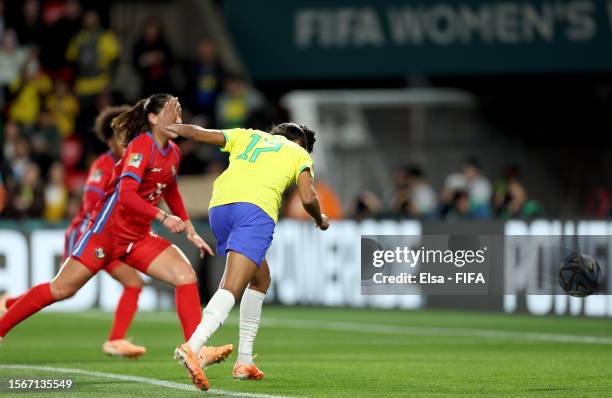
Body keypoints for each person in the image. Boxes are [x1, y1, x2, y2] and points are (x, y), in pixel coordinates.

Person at [0, 94, 232, 367]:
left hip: (138, 237)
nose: (178, 121)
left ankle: (195, 350)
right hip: (106, 234)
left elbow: (170, 190)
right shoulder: (140, 147)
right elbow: (125, 195)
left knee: (185, 276)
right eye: (171, 114)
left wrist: (190, 228)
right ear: (154, 119)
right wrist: (163, 216)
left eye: (180, 115)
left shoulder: (173, 152)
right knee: (61, 289)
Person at [158, 98, 329, 391]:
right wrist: (320, 219)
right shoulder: (299, 154)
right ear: (301, 142)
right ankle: (193, 346)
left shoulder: (248, 134)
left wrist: (167, 125)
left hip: (220, 208)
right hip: (255, 210)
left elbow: (199, 133)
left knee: (261, 278)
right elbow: (309, 198)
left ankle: (245, 361)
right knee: (231, 287)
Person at [132, 17, 173, 96]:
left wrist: (159, 57)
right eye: (149, 33)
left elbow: (171, 61)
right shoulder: (139, 45)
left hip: (163, 84)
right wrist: (146, 60)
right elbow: (135, 64)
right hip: (146, 84)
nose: (151, 35)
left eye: (154, 33)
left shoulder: (163, 44)